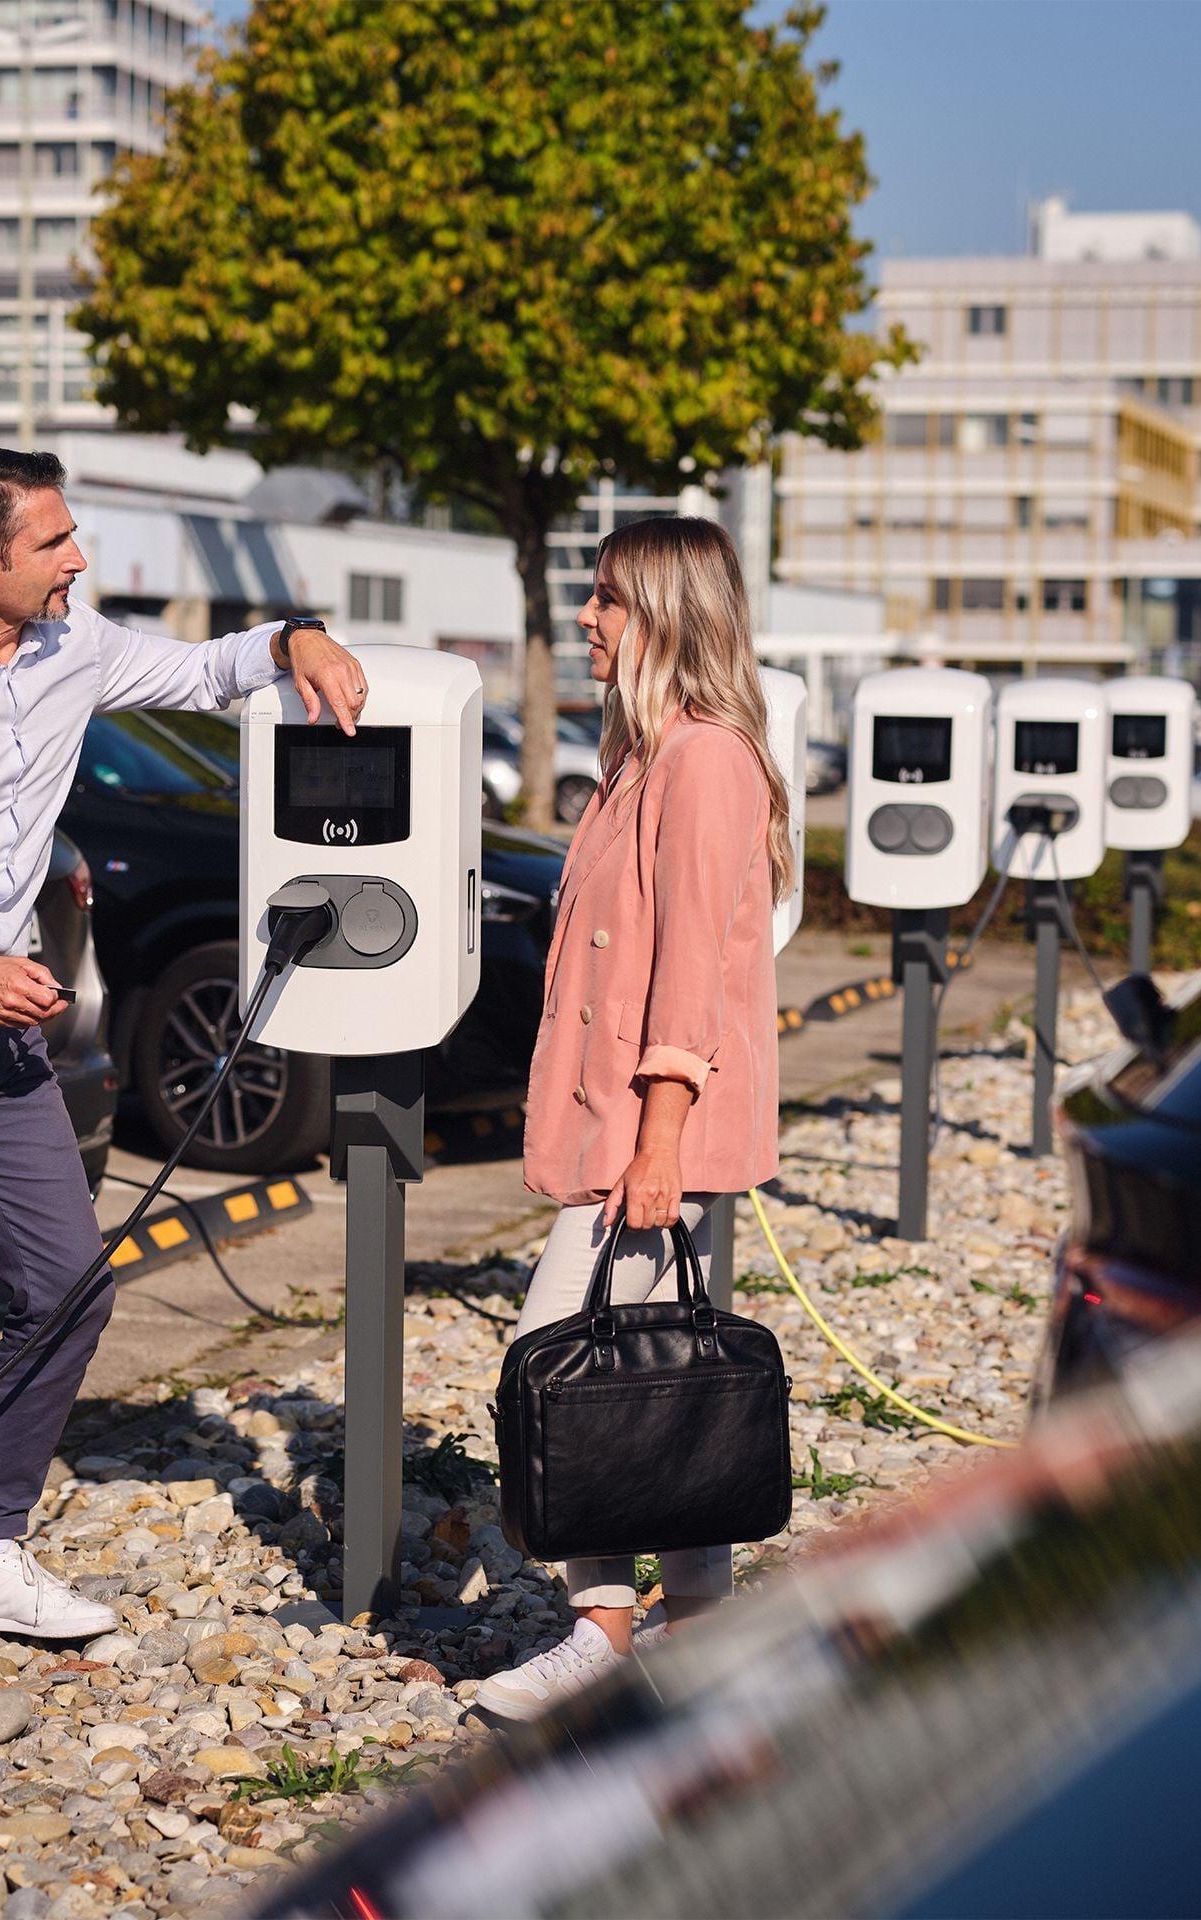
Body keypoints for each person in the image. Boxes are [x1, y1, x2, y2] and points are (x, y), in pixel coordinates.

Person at [0, 447, 365, 1665]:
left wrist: (299, 639)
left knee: (68, 1282)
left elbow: (210, 670)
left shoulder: (70, 646)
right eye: (54, 543)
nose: (78, 559)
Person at [474, 515, 790, 1723]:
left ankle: (605, 1628)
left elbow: (691, 978)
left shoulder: (703, 759)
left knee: (565, 1364)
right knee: (664, 1373)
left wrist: (659, 1139)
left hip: (654, 1136)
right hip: (630, 1130)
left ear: (664, 614)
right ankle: (690, 1626)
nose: (589, 622)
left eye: (607, 601)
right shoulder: (637, 760)